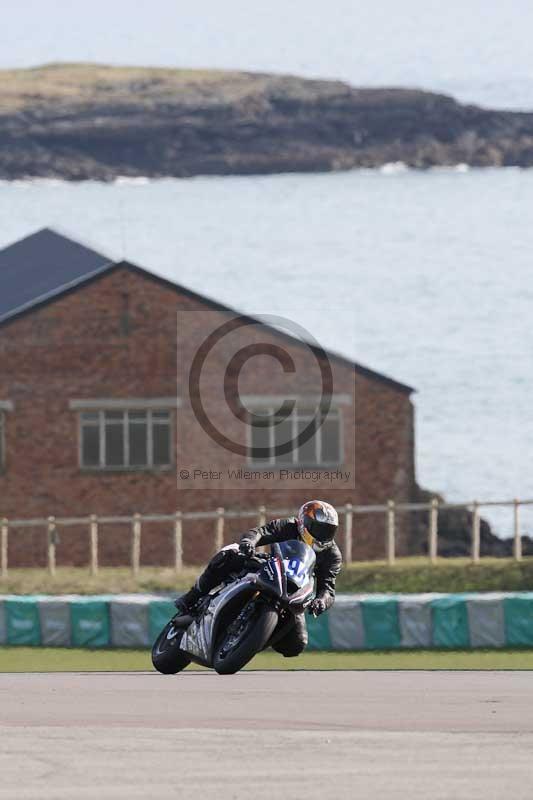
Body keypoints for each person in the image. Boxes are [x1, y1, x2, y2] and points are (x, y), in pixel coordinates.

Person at [174, 500, 342, 657]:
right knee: (229, 555)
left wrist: (321, 601)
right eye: (320, 529)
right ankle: (193, 596)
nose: (324, 535)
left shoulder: (332, 555)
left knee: (296, 645)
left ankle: (250, 637)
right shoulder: (289, 526)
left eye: (329, 530)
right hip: (269, 567)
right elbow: (261, 532)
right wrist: (249, 542)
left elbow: (328, 589)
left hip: (295, 589)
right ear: (304, 523)